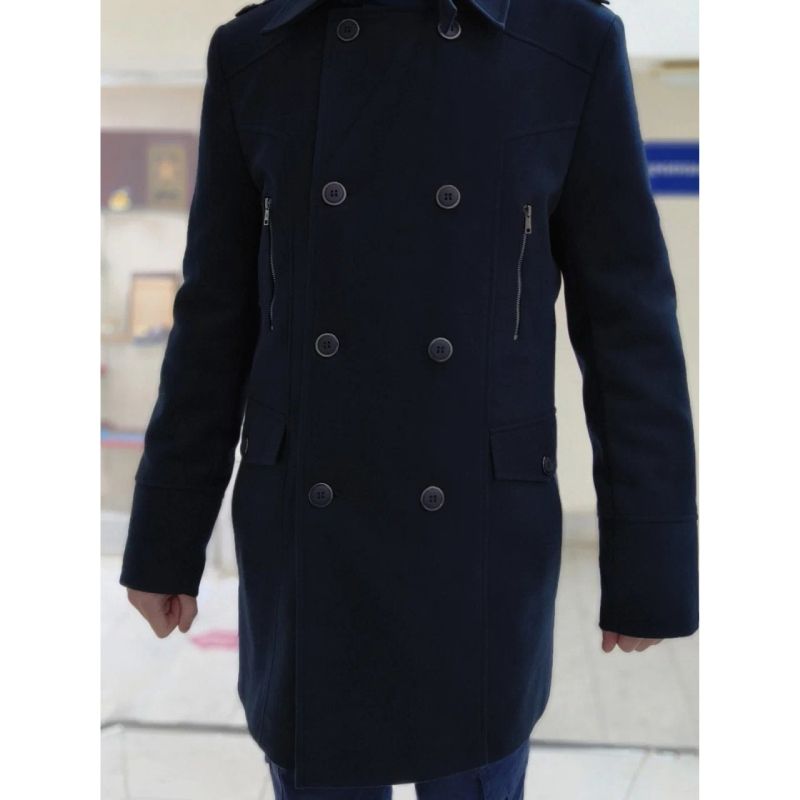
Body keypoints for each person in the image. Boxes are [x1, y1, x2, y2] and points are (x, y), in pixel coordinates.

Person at [119, 0, 699, 796]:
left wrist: (649, 561)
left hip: (476, 542)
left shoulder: (568, 42)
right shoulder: (255, 52)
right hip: (311, 544)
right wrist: (165, 535)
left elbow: (626, 321)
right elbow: (215, 318)